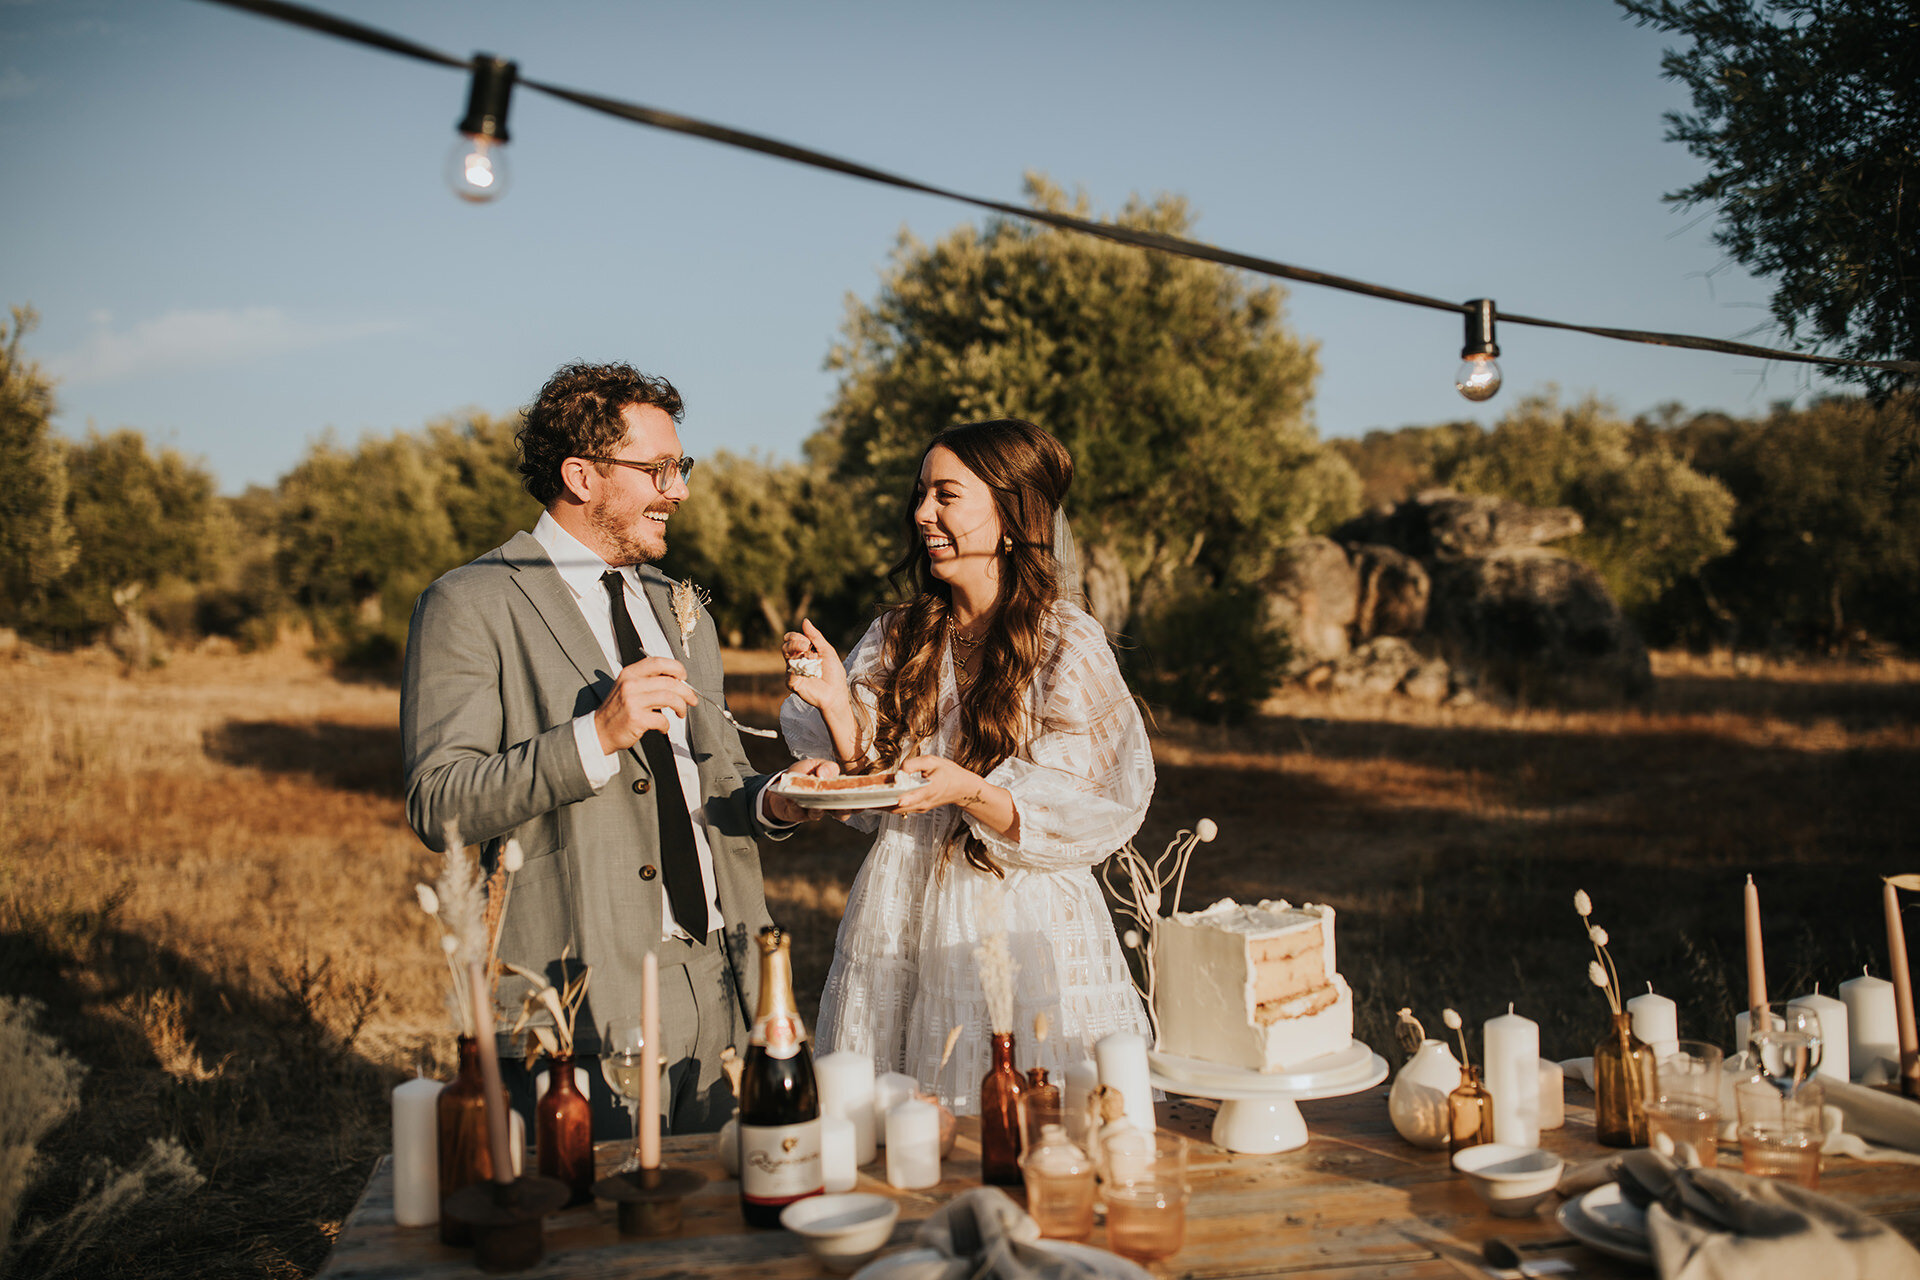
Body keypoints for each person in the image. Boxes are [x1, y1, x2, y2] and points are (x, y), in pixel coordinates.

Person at [402, 361, 826, 1134]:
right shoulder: (469, 602)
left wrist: (778, 797)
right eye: (659, 469)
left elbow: (715, 775)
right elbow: (439, 802)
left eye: (681, 467)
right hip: (578, 992)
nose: (681, 490)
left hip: (726, 978)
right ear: (580, 475)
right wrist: (594, 736)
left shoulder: (679, 603)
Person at [780, 418, 1154, 1112]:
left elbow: (1097, 802)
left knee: (1031, 1119)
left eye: (947, 495)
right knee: (898, 1128)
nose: (922, 513)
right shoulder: (901, 634)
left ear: (1010, 516)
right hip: (901, 904)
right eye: (921, 493)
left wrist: (971, 791)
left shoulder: (1064, 641)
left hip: (1019, 913)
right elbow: (870, 789)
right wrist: (836, 704)